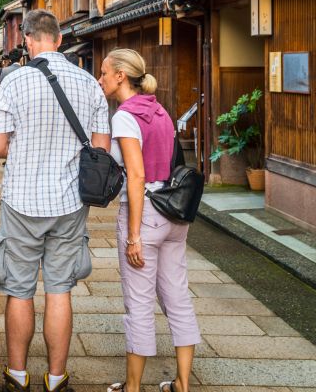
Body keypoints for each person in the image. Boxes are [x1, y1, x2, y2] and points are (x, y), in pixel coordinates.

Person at [0, 9, 110, 392]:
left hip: (22, 198)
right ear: (58, 40)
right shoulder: (89, 83)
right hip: (71, 201)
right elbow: (102, 150)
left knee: (19, 289)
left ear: (26, 40)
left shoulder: (15, 81)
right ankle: (57, 380)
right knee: (59, 289)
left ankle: (17, 378)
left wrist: (24, 147)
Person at [97, 49, 200, 392]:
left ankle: (133, 387)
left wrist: (134, 236)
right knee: (178, 297)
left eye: (104, 74)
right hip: (174, 215)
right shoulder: (161, 111)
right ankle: (182, 384)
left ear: (121, 77)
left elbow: (136, 177)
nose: (101, 80)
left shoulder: (126, 117)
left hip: (146, 214)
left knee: (139, 304)